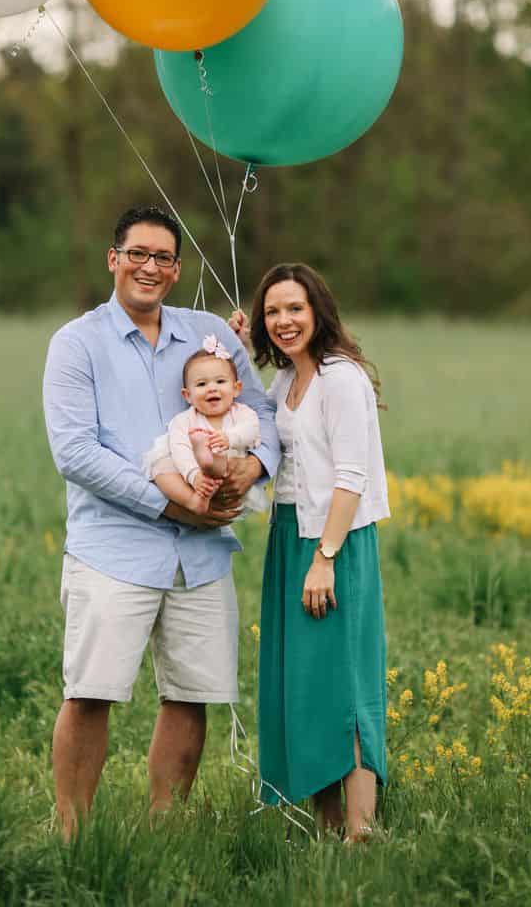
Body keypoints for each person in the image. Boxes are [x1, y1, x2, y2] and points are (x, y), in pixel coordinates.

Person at [42, 205, 278, 840]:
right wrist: (170, 503)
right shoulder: (76, 343)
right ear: (113, 259)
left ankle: (163, 833)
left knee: (190, 693)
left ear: (177, 270)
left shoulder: (209, 335)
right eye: (137, 254)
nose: (150, 267)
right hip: (112, 548)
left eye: (163, 258)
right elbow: (75, 452)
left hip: (201, 554)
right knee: (91, 691)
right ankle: (73, 836)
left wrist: (251, 469)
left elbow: (263, 415)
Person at [230, 263, 390, 842]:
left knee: (343, 681)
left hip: (333, 542)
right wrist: (236, 349)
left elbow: (350, 477)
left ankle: (361, 832)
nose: (284, 321)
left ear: (318, 310)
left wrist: (324, 557)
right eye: (273, 312)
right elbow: (258, 422)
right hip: (291, 539)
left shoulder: (339, 377)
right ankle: (327, 829)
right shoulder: (286, 382)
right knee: (307, 682)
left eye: (294, 308)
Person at [143, 337, 268, 517]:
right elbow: (180, 450)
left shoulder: (242, 413)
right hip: (192, 479)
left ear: (236, 388)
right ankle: (193, 501)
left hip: (228, 475)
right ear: (188, 395)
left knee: (220, 455)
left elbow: (252, 429)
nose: (211, 388)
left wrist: (230, 438)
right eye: (201, 384)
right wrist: (194, 475)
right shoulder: (184, 421)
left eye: (220, 382)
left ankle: (209, 461)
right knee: (160, 469)